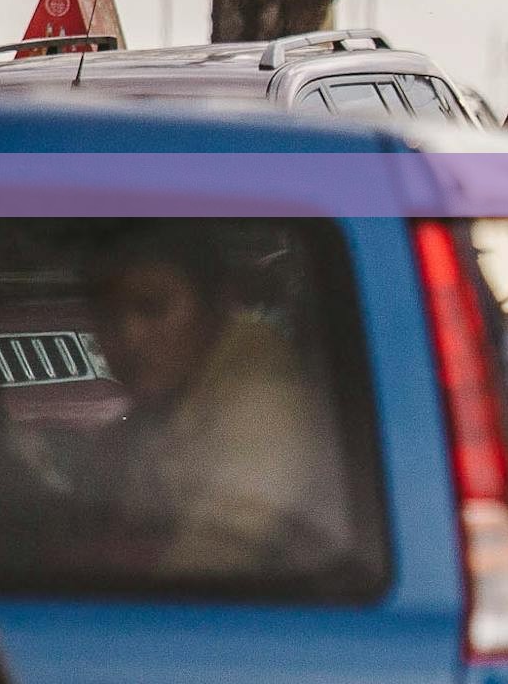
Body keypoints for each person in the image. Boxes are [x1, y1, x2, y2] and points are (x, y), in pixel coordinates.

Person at [91, 226, 355, 587]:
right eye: (105, 317)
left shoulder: (261, 397)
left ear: (215, 305)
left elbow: (215, 557)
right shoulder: (171, 399)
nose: (128, 337)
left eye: (153, 308)